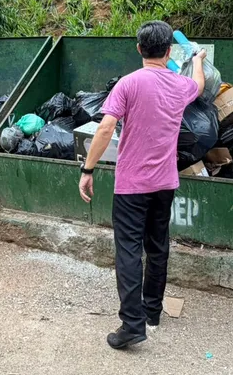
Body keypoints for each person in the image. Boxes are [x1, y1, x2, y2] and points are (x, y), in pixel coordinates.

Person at [78, 20, 206, 349]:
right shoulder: (180, 85)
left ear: (139, 49)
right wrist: (199, 61)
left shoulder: (128, 83)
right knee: (158, 247)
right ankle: (152, 313)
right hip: (165, 184)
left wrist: (88, 169)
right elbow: (199, 85)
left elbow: (106, 127)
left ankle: (132, 325)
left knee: (129, 252)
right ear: (168, 51)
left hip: (132, 185)